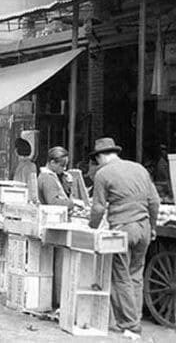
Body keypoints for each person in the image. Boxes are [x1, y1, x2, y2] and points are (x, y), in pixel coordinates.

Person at [89, 138, 159, 339]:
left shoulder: (103, 174)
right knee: (135, 275)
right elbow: (154, 202)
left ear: (101, 156)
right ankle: (134, 319)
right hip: (143, 227)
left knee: (120, 277)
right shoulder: (139, 169)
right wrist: (152, 227)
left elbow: (99, 207)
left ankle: (130, 325)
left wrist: (92, 227)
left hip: (122, 230)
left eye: (97, 159)